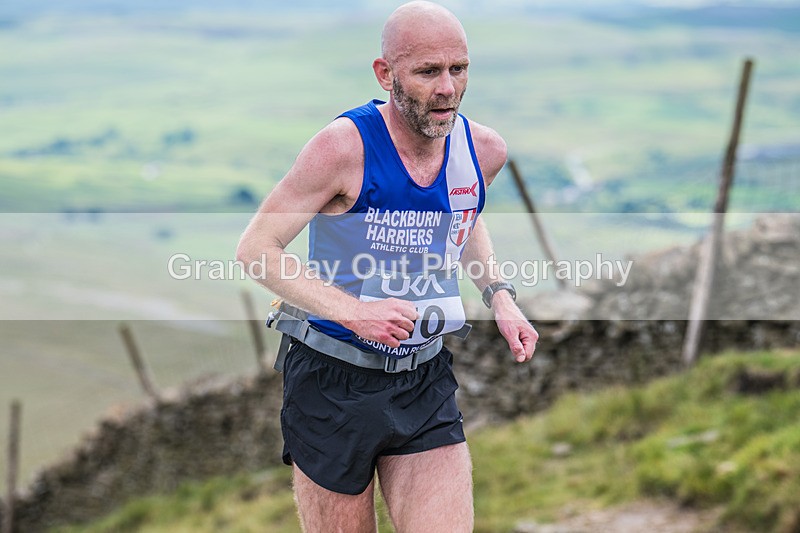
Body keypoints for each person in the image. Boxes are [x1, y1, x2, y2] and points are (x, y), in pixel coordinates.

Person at [237, 2, 538, 531]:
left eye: (458, 69)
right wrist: (355, 312)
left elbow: (461, 220)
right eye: (427, 72)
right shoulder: (341, 148)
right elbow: (257, 249)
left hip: (423, 376)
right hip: (331, 381)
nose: (447, 87)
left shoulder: (483, 150)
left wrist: (500, 295)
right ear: (385, 74)